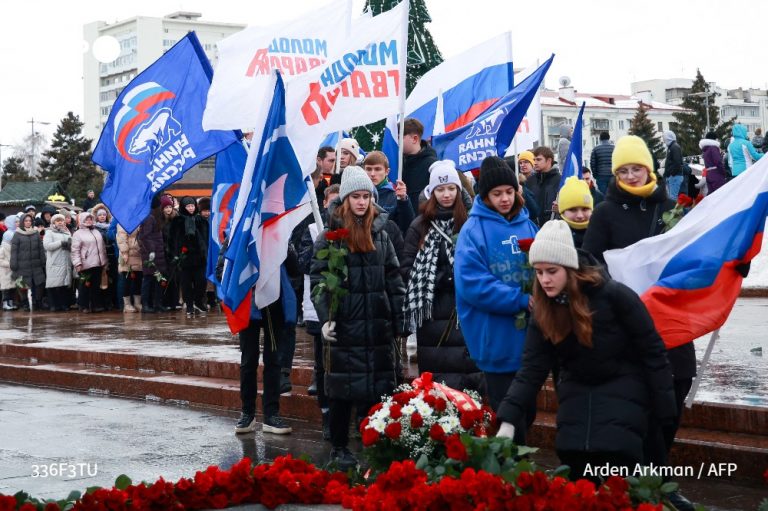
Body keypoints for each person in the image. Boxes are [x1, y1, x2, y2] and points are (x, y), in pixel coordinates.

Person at [496, 220, 676, 483]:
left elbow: (652, 352)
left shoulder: (615, 296)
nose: (544, 279)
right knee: (575, 463)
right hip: (577, 391)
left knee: (619, 466)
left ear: (569, 268)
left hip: (624, 388)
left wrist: (665, 411)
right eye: (539, 272)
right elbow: (531, 369)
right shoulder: (544, 310)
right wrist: (508, 421)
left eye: (551, 271)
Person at [581, 135, 696, 508]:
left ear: (649, 167)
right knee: (645, 404)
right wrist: (614, 285)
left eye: (637, 168)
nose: (631, 175)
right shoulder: (605, 212)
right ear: (615, 174)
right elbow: (588, 262)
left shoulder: (669, 207)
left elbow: (691, 253)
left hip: (673, 321)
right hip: (629, 327)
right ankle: (656, 483)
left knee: (674, 395)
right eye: (623, 170)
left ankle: (655, 476)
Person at [310, 166, 406, 470]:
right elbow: (318, 280)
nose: (362, 202)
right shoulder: (331, 237)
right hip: (346, 326)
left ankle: (372, 444)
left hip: (377, 326)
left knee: (375, 390)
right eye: (356, 196)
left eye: (366, 196)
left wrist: (400, 320)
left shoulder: (382, 233)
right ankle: (339, 447)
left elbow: (393, 277)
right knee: (341, 390)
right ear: (346, 200)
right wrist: (326, 317)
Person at [454, 156, 538, 443]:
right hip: (496, 338)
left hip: (529, 337)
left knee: (528, 411)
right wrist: (519, 300)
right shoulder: (473, 231)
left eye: (509, 192)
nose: (504, 198)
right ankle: (513, 477)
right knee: (510, 417)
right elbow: (472, 284)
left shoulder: (528, 226)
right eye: (497, 193)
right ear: (485, 196)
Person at [401, 160, 483, 393]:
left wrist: (459, 277)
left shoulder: (470, 222)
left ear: (459, 190)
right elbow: (406, 268)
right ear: (432, 192)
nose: (446, 194)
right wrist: (439, 279)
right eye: (440, 189)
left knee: (468, 378)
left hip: (465, 309)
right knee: (439, 383)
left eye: (451, 189)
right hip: (432, 313)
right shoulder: (420, 226)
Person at [234, 265, 296, 437]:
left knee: (274, 360)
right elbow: (223, 266)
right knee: (248, 360)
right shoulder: (240, 236)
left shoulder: (279, 237)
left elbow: (295, 266)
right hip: (247, 303)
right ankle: (247, 413)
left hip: (274, 303)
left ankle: (271, 414)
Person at [168, 196, 209, 317]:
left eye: (192, 206)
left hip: (199, 257)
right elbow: (171, 240)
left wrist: (205, 252)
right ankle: (190, 305)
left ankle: (198, 301)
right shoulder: (177, 221)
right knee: (186, 284)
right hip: (184, 257)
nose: (191, 208)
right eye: (188, 206)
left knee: (201, 282)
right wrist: (175, 255)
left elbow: (206, 238)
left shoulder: (201, 220)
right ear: (183, 207)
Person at [362, 150, 414, 233]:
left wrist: (403, 200)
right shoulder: (357, 194)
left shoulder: (395, 196)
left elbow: (407, 225)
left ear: (387, 172)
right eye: (368, 169)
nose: (372, 174)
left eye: (377, 169)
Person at [138, 197, 170, 313]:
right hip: (150, 254)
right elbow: (144, 236)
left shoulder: (155, 217)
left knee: (158, 280)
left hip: (159, 254)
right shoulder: (148, 218)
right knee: (148, 280)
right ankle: (145, 304)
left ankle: (158, 304)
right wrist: (151, 251)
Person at [71, 212, 107, 313]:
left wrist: (104, 261)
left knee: (96, 285)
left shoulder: (96, 231)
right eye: (87, 219)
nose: (89, 221)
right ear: (82, 220)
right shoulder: (78, 233)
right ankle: (83, 305)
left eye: (90, 219)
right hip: (85, 264)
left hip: (98, 263)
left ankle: (96, 305)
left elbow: (102, 247)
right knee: (84, 286)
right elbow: (75, 250)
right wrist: (77, 263)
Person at [10, 214, 46, 311]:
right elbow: (14, 251)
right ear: (22, 222)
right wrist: (13, 263)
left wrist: (43, 261)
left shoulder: (35, 233)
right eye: (26, 221)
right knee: (22, 286)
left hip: (36, 265)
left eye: (29, 221)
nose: (28, 222)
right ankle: (25, 303)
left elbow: (40, 248)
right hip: (22, 265)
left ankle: (37, 302)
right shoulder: (17, 234)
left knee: (38, 285)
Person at [402, 118, 438, 212]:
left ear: (414, 139)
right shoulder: (398, 163)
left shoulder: (432, 165)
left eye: (400, 137)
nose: (397, 142)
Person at [42, 214, 73, 312]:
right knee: (53, 285)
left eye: (62, 220)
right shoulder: (49, 233)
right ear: (53, 222)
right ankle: (54, 305)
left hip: (66, 262)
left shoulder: (68, 233)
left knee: (64, 285)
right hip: (54, 263)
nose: (60, 222)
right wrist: (60, 243)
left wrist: (70, 246)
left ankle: (63, 304)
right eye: (57, 220)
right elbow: (47, 246)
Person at [527, 147, 561, 227]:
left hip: (553, 228)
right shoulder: (530, 180)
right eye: (534, 159)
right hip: (534, 227)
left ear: (549, 160)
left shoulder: (560, 180)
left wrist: (561, 209)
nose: (535, 162)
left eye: (538, 160)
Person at [557, 176, 593, 248]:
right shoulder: (554, 237)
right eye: (573, 210)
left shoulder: (603, 234)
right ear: (562, 211)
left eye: (585, 209)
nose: (580, 215)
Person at [116, 224, 143, 312]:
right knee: (126, 280)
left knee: (138, 279)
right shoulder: (123, 221)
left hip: (138, 254)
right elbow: (121, 238)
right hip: (127, 254)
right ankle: (127, 305)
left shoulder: (139, 220)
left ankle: (137, 303)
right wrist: (124, 252)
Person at [0, 216, 20, 310]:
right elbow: (0, 260)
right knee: (6, 289)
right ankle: (5, 303)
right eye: (15, 222)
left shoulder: (17, 232)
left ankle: (11, 303)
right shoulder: (3, 248)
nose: (17, 223)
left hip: (14, 269)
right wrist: (9, 264)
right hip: (5, 270)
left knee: (12, 287)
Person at [662, 130, 684, 197]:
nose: (663, 140)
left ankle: (676, 208)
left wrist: (672, 173)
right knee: (671, 197)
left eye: (664, 138)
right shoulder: (671, 147)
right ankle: (675, 207)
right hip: (673, 176)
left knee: (673, 197)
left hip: (675, 176)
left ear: (668, 137)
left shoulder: (674, 147)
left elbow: (677, 162)